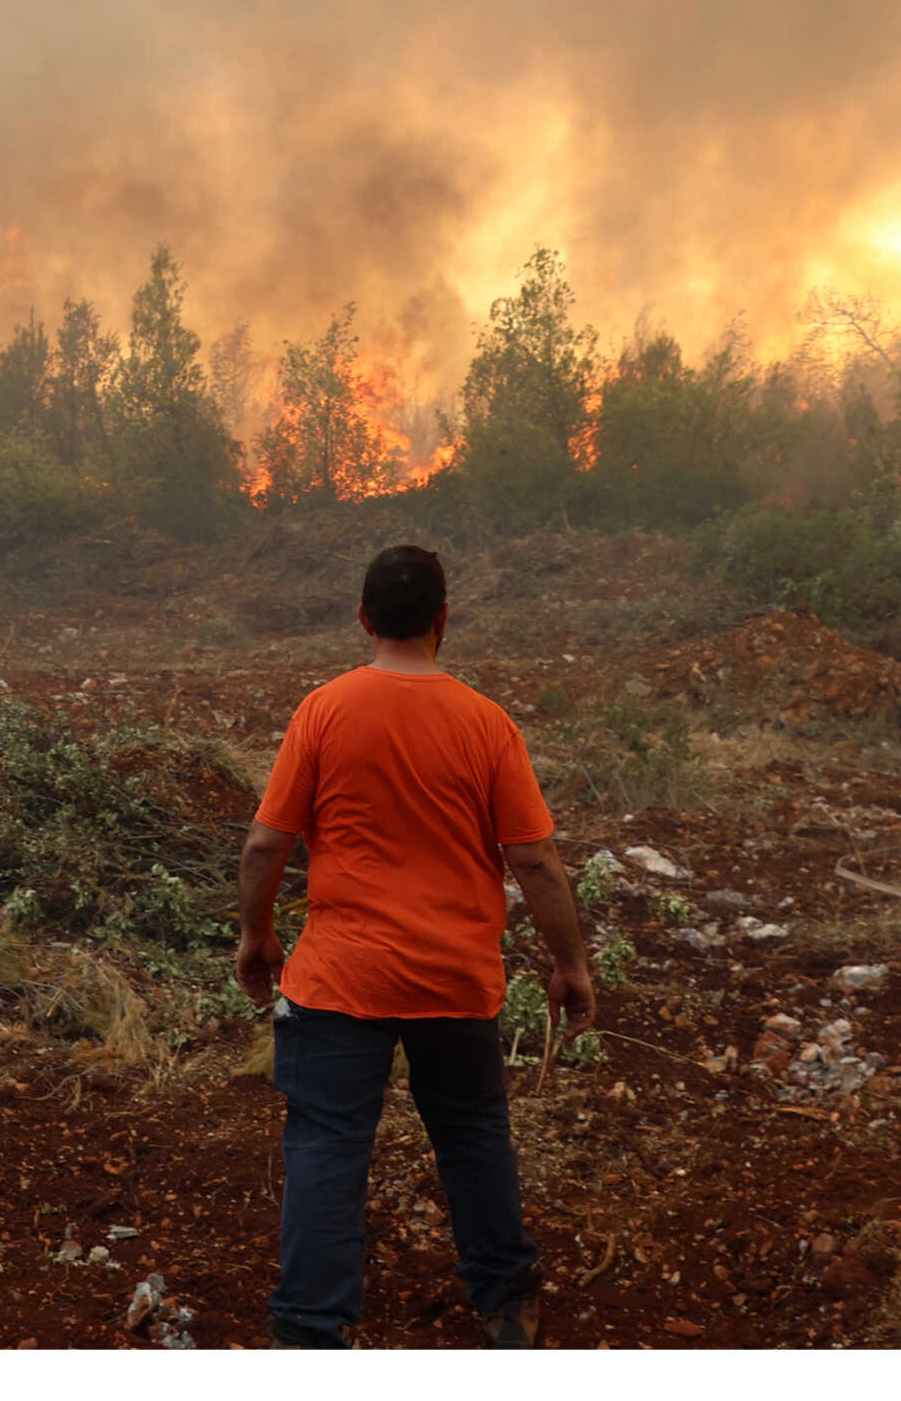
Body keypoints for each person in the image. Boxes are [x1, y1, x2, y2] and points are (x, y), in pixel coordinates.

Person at [236, 543, 597, 1350]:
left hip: (340, 980)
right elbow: (533, 858)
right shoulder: (486, 723)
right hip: (455, 978)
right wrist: (570, 964)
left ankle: (309, 1332)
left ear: (363, 619)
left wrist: (257, 935)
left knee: (328, 1145)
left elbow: (266, 846)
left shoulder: (324, 711)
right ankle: (507, 1304)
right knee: (473, 1136)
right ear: (443, 620)